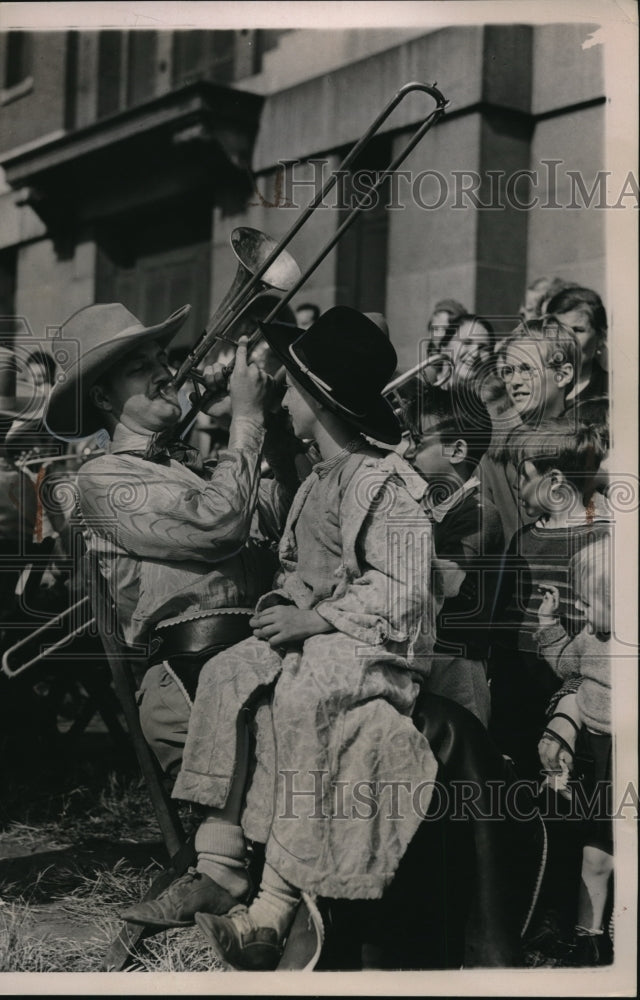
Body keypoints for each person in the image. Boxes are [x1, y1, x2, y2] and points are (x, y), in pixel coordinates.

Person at [168, 307, 440, 970]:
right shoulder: (318, 479)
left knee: (300, 694)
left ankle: (273, 908)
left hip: (375, 643)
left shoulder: (381, 484)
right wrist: (283, 607)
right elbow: (302, 570)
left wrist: (316, 620)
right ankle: (221, 856)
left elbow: (405, 587)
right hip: (320, 632)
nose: (282, 400)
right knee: (229, 671)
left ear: (319, 400)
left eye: (289, 388)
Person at [44, 302, 293, 927]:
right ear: (103, 397)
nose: (166, 372)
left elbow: (278, 531)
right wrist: (243, 419)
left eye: (163, 359)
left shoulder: (190, 466)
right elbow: (219, 527)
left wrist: (277, 433)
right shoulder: (102, 478)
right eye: (140, 367)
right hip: (196, 680)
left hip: (256, 656)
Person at [488, 418, 611, 779]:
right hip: (514, 682)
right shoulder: (523, 537)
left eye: (523, 475)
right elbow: (503, 614)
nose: (515, 484)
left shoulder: (600, 541)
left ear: (556, 482)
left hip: (567, 687)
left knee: (564, 774)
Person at [402, 384, 503, 725]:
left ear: (457, 450)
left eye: (418, 439)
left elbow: (450, 580)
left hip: (457, 666)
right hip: (426, 657)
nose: (407, 451)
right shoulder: (425, 507)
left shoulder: (479, 512)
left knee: (463, 764)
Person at [535, 534, 613, 966]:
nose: (579, 610)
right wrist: (549, 624)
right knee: (594, 851)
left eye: (587, 602)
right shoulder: (590, 636)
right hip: (596, 755)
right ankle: (590, 939)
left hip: (624, 755)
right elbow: (566, 663)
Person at [478, 317, 579, 548]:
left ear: (562, 375)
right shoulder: (491, 452)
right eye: (508, 371)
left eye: (526, 369)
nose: (514, 381)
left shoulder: (588, 448)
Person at [544, 286, 609, 405]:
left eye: (577, 330)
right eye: (559, 329)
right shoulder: (533, 385)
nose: (567, 339)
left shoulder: (610, 391)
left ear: (600, 337)